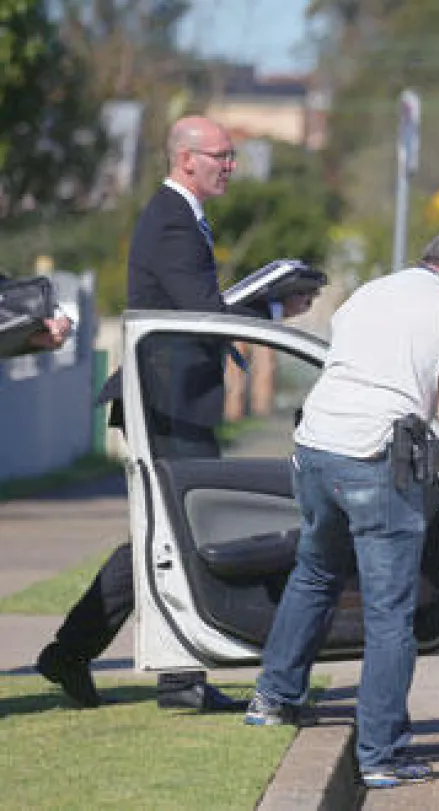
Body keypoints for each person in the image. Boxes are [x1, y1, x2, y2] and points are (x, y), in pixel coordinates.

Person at [35, 115, 311, 712]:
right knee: (178, 534)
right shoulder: (171, 220)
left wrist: (267, 300)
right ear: (187, 159)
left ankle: (83, 655)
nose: (231, 166)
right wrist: (270, 304)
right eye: (222, 155)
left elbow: (198, 308)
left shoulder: (182, 218)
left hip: (173, 400)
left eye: (232, 156)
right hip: (164, 401)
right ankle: (173, 678)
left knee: (156, 537)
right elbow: (202, 315)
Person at [244, 229, 439, 789]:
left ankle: (274, 697)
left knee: (315, 572)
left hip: (315, 446)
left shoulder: (371, 293)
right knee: (389, 611)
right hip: (375, 456)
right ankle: (381, 753)